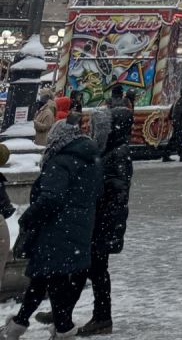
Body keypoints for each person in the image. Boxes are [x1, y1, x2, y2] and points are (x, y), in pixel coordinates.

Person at [3, 119, 103, 339]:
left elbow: (51, 198)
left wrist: (28, 217)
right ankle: (22, 323)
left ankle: (61, 328)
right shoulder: (89, 161)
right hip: (77, 229)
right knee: (45, 279)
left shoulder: (60, 161)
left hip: (56, 231)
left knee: (50, 279)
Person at [74, 100, 134, 335]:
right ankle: (68, 308)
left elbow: (116, 190)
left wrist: (95, 192)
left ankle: (102, 317)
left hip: (105, 222)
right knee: (91, 268)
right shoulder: (115, 150)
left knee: (97, 270)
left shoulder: (118, 153)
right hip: (104, 220)